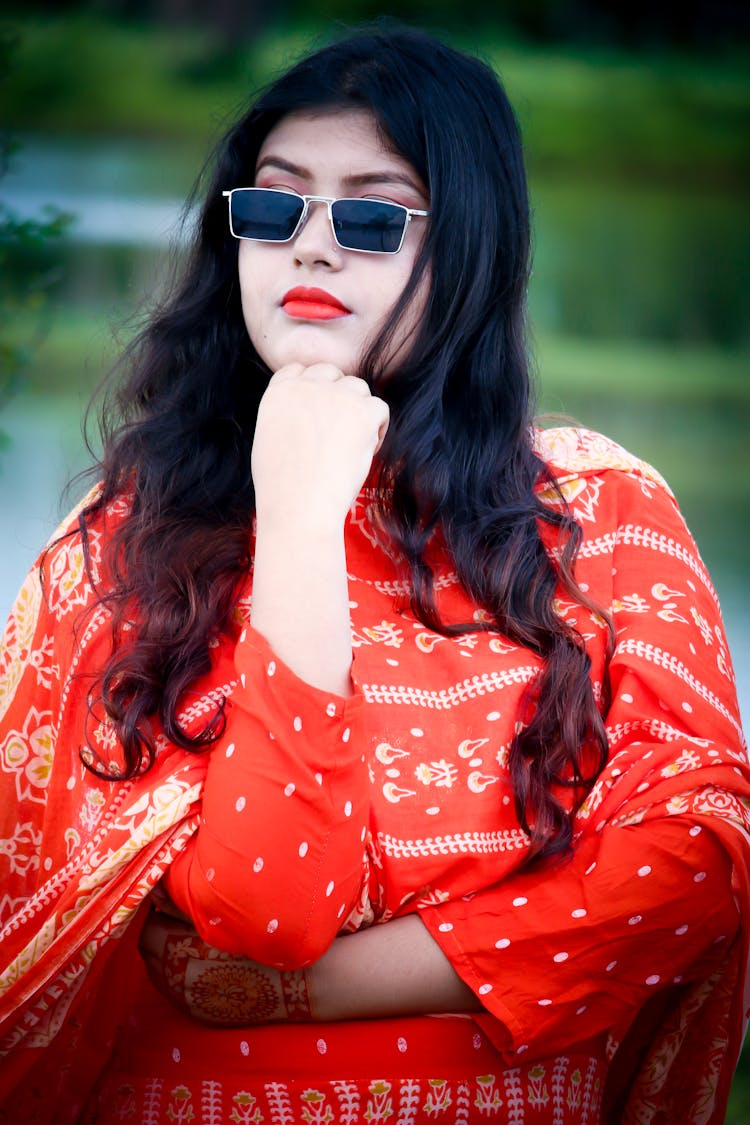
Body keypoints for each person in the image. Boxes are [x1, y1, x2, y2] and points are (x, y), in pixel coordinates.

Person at [0, 23, 748, 1125]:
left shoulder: (596, 514)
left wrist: (317, 992)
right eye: (273, 204)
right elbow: (264, 906)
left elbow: (696, 863)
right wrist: (299, 516)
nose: (310, 246)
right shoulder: (121, 551)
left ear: (471, 253)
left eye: (370, 215)